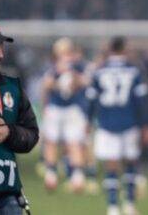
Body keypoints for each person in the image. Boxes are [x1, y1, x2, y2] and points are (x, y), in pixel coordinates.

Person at [86, 36, 148, 215]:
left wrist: (88, 120)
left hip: (106, 122)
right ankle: (130, 205)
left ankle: (113, 207)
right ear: (124, 49)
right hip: (129, 121)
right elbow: (142, 100)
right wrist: (146, 124)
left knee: (112, 166)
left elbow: (91, 99)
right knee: (131, 164)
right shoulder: (134, 69)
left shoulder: (99, 70)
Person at [0, 24, 39, 214]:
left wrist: (9, 132)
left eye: (0, 47)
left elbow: (31, 134)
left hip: (7, 198)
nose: (0, 55)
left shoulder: (13, 88)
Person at [41, 37, 89, 193]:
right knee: (53, 142)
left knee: (72, 142)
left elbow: (84, 82)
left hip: (71, 108)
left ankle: (74, 176)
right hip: (57, 108)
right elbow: (47, 85)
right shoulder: (53, 67)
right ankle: (52, 174)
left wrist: (71, 75)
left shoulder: (77, 67)